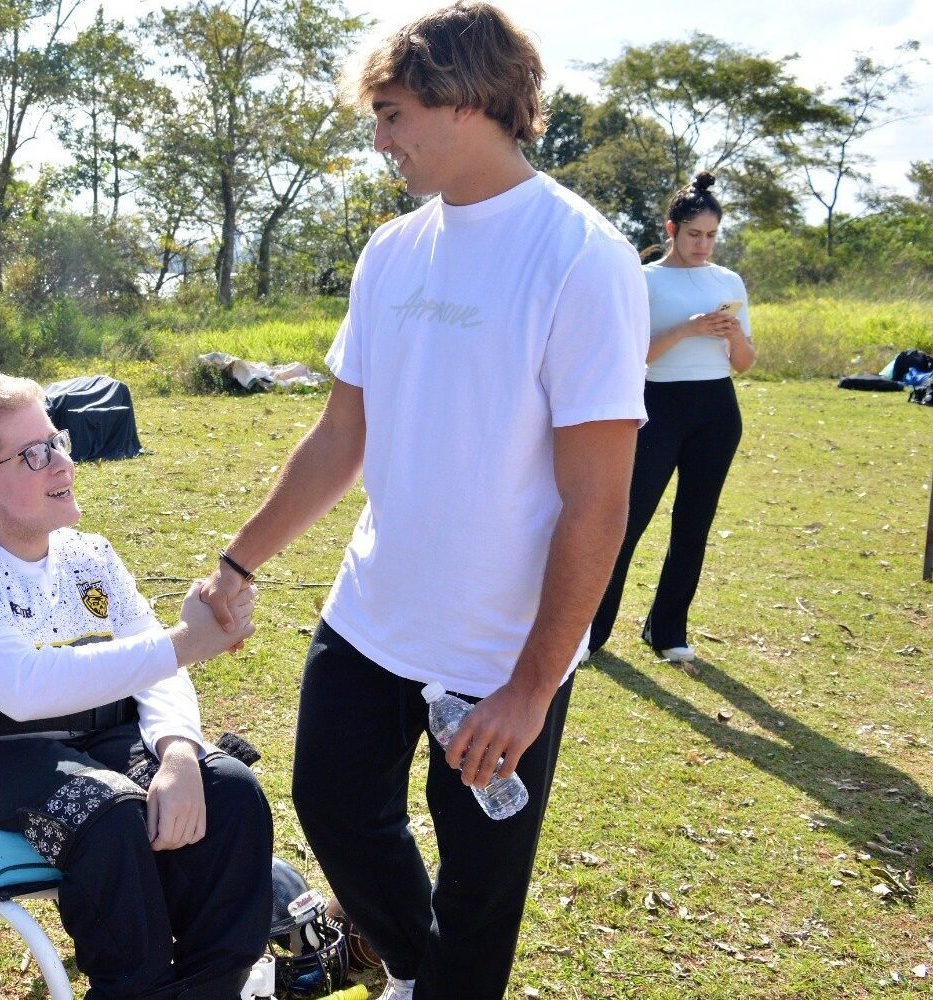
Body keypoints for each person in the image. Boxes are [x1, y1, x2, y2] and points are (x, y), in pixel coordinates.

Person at [198, 5, 649, 999]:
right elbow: (339, 437)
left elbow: (598, 500)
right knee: (330, 801)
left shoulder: (581, 256)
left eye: (393, 114)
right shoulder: (391, 252)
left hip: (500, 647)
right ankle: (405, 960)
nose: (379, 141)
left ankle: (435, 975)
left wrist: (531, 686)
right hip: (373, 611)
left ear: (472, 102)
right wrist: (238, 559)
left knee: (481, 885)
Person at [0, 374, 273, 1000]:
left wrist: (179, 754)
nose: (65, 460)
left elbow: (152, 671)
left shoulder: (88, 554)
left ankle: (210, 987)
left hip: (80, 731)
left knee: (230, 791)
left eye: (57, 439)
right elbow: (23, 689)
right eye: (35, 454)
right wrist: (182, 643)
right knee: (105, 812)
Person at [589, 172, 756, 663]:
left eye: (711, 236)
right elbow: (633, 354)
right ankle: (592, 632)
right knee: (628, 519)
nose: (703, 245)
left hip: (717, 410)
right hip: (657, 408)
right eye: (694, 235)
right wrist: (686, 329)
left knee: (693, 525)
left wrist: (732, 334)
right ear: (671, 229)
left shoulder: (728, 281)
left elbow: (744, 363)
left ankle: (667, 632)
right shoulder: (642, 281)